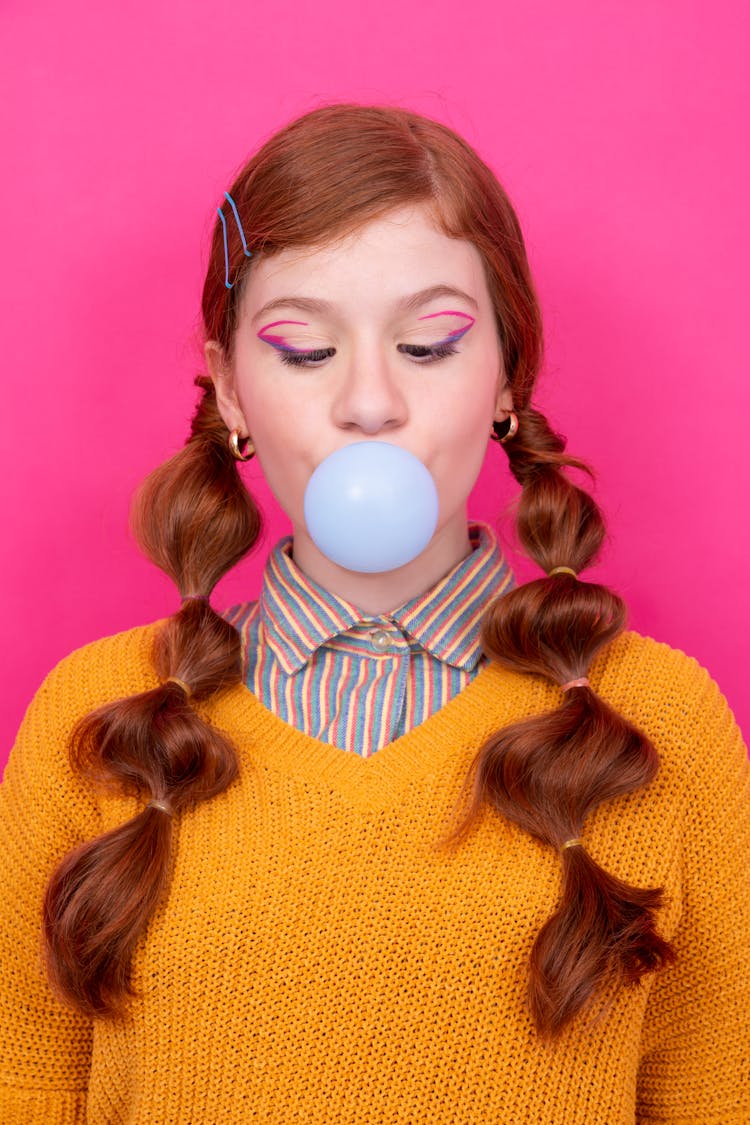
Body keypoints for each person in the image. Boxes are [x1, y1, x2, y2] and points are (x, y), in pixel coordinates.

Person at [1, 103, 748, 1125]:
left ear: (506, 379)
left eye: (430, 345)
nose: (368, 403)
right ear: (229, 393)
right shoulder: (93, 716)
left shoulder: (665, 719)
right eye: (304, 350)